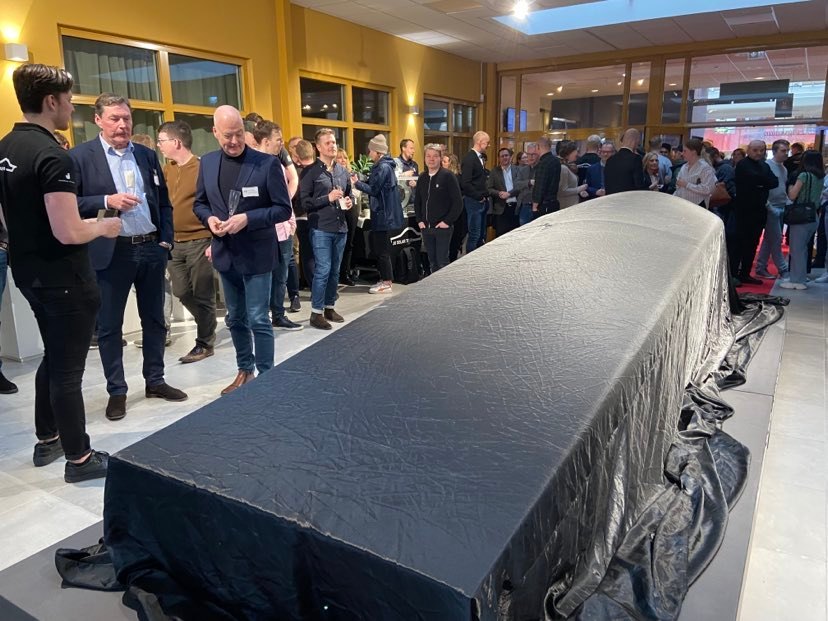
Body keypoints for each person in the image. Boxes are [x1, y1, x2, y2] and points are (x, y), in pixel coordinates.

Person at [0, 64, 122, 481]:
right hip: (64, 279)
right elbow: (68, 230)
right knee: (68, 372)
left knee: (54, 357)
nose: (71, 107)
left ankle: (48, 436)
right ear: (51, 101)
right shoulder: (53, 155)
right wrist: (104, 225)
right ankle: (79, 458)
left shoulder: (6, 147)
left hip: (29, 273)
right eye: (69, 99)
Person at [70, 93, 187, 422]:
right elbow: (71, 203)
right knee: (109, 327)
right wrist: (107, 198)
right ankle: (116, 391)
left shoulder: (147, 155)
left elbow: (163, 201)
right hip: (112, 251)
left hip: (151, 247)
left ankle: (155, 380)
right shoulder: (81, 157)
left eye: (126, 118)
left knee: (155, 320)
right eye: (114, 118)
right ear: (98, 120)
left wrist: (166, 240)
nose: (121, 124)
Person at [193, 105, 292, 394]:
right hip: (226, 253)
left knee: (259, 318)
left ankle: (268, 377)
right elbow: (199, 203)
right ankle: (245, 371)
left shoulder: (266, 164)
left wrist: (248, 218)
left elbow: (283, 209)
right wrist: (209, 219)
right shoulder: (208, 163)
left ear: (245, 133)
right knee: (235, 318)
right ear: (215, 132)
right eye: (227, 136)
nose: (233, 141)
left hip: (258, 254)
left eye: (238, 135)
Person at [156, 120, 217, 362]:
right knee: (181, 290)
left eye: (162, 141)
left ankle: (205, 342)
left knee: (203, 293)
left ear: (176, 142)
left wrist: (215, 240)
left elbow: (215, 205)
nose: (159, 145)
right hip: (173, 243)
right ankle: (208, 324)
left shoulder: (203, 169)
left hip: (200, 240)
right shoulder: (165, 170)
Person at [250, 121, 302, 332]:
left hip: (283, 229)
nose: (282, 144)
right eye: (278, 140)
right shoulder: (251, 166)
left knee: (281, 275)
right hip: (263, 230)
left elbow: (284, 198)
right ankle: (260, 316)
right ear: (265, 141)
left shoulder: (279, 166)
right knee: (262, 275)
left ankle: (278, 314)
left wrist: (290, 222)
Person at [299, 128, 352, 329]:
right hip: (321, 228)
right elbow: (304, 203)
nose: (332, 145)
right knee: (323, 269)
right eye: (328, 143)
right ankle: (316, 312)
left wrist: (348, 200)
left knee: (335, 271)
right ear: (318, 147)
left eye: (334, 142)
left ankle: (330, 306)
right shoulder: (310, 172)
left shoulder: (342, 171)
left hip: (341, 227)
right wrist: (326, 198)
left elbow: (348, 194)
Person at [351, 135, 400, 294]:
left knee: (382, 250)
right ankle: (385, 279)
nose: (368, 152)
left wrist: (356, 183)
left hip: (383, 215)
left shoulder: (383, 167)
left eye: (371, 150)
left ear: (378, 151)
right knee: (380, 249)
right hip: (383, 214)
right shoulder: (383, 166)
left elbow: (374, 190)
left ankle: (386, 282)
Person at [731, 140, 779, 286]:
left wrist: (760, 183)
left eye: (761, 150)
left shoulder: (764, 165)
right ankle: (733, 274)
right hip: (743, 211)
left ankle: (745, 273)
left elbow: (773, 182)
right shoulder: (743, 164)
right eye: (755, 150)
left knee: (752, 244)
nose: (759, 153)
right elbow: (754, 179)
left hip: (759, 211)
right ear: (749, 150)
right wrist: (761, 182)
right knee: (738, 244)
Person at [413, 143, 463, 272]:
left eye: (435, 156)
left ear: (440, 158)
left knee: (442, 263)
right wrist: (419, 220)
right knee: (432, 262)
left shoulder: (448, 176)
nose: (431, 159)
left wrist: (447, 222)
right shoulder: (422, 178)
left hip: (442, 228)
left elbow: (458, 203)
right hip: (426, 228)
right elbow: (417, 201)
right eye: (428, 156)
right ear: (424, 158)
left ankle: (443, 291)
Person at [780, 151, 825, 290]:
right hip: (813, 216)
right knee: (803, 249)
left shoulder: (804, 175)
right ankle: (798, 276)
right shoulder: (820, 177)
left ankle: (797, 281)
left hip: (801, 218)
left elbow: (793, 195)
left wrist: (790, 186)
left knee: (797, 250)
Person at [755, 140, 791, 280]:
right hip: (771, 207)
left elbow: (782, 187)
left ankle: (761, 267)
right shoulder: (767, 166)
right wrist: (769, 206)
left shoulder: (784, 168)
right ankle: (783, 269)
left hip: (781, 206)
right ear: (775, 151)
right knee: (776, 239)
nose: (786, 153)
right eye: (783, 150)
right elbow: (763, 190)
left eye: (787, 150)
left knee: (770, 240)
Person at [460, 131, 490, 252]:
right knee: (474, 235)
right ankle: (470, 264)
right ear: (479, 142)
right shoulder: (469, 158)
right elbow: (465, 183)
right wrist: (479, 197)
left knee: (481, 235)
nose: (488, 145)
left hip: (481, 201)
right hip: (474, 202)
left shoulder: (479, 158)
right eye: (487, 143)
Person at [488, 147, 529, 235]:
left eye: (506, 155)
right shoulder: (494, 171)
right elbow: (489, 189)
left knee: (515, 236)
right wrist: (498, 193)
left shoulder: (518, 170)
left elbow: (521, 187)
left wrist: (509, 194)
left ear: (511, 157)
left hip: (516, 208)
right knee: (500, 236)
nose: (504, 158)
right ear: (499, 158)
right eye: (502, 156)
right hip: (501, 209)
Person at [336, 148, 359, 286]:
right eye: (340, 158)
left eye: (345, 157)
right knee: (340, 243)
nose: (343, 160)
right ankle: (337, 273)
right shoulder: (335, 175)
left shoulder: (353, 174)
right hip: (339, 210)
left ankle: (345, 272)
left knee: (350, 243)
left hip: (352, 209)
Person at [673, 138, 717, 207]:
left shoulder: (705, 168)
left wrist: (687, 185)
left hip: (698, 205)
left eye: (685, 151)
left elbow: (707, 189)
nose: (682, 153)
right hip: (683, 204)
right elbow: (679, 186)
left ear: (693, 152)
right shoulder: (684, 167)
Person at [604, 128, 646, 194]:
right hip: (628, 201)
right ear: (636, 141)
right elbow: (639, 185)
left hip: (611, 200)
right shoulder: (635, 159)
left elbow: (607, 184)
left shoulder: (610, 160)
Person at [531, 136, 561, 216]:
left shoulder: (543, 163)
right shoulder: (556, 161)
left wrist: (535, 206)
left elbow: (540, 186)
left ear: (538, 147)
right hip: (554, 202)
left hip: (544, 205)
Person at [556, 141, 588, 209]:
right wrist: (580, 189)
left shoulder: (567, 166)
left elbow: (570, 186)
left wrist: (580, 192)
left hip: (571, 204)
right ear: (569, 153)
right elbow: (562, 191)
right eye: (576, 150)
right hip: (566, 206)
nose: (577, 153)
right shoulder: (563, 168)